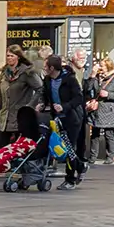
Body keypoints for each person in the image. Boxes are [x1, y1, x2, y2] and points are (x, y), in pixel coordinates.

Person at [43, 54, 86, 188]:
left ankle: (70, 179)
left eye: (45, 66)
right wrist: (42, 104)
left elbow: (78, 98)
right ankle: (80, 165)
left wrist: (64, 106)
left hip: (72, 118)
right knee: (60, 146)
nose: (44, 68)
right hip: (56, 117)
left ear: (51, 68)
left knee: (69, 147)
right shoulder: (47, 80)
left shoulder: (70, 79)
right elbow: (46, 95)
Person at [0, 47, 42, 142]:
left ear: (18, 57)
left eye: (12, 56)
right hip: (5, 119)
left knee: (17, 149)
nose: (9, 58)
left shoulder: (27, 72)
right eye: (7, 56)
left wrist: (29, 106)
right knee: (1, 147)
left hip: (19, 118)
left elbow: (40, 88)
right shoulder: (4, 73)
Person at [87, 58, 114, 163]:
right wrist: (92, 76)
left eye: (102, 66)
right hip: (97, 108)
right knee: (95, 134)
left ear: (108, 67)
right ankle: (93, 156)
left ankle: (110, 156)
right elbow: (88, 88)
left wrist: (108, 95)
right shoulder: (97, 77)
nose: (100, 68)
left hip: (108, 109)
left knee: (109, 133)